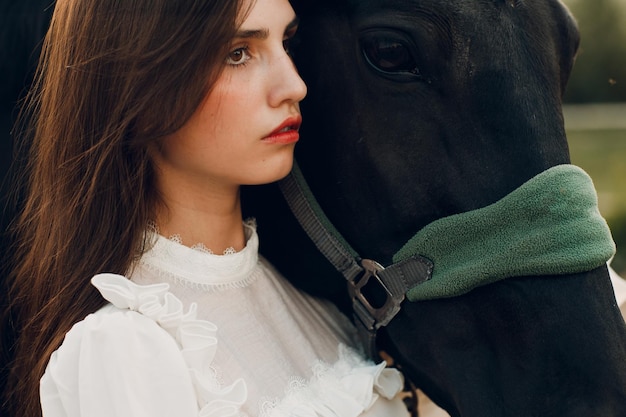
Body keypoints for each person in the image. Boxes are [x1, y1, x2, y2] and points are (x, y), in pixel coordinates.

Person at [2, 0, 411, 416]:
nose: (294, 85)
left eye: (287, 42)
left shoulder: (321, 297)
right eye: (238, 53)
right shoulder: (126, 349)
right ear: (135, 86)